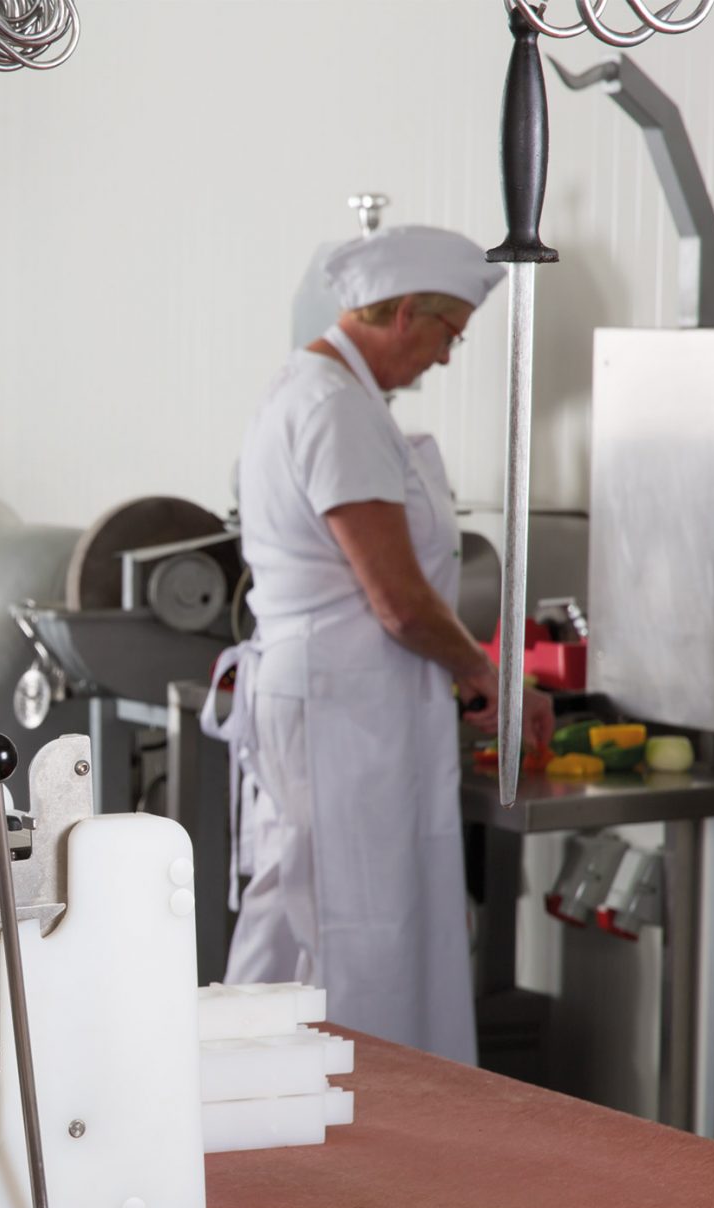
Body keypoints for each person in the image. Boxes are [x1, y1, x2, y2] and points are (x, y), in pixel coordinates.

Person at [207, 225, 555, 1064]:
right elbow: (397, 600)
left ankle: (245, 1110)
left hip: (344, 705)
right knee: (348, 931)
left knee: (305, 918)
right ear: (404, 314)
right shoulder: (333, 407)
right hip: (342, 713)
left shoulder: (320, 392)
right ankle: (342, 1137)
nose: (444, 357)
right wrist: (486, 674)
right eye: (448, 334)